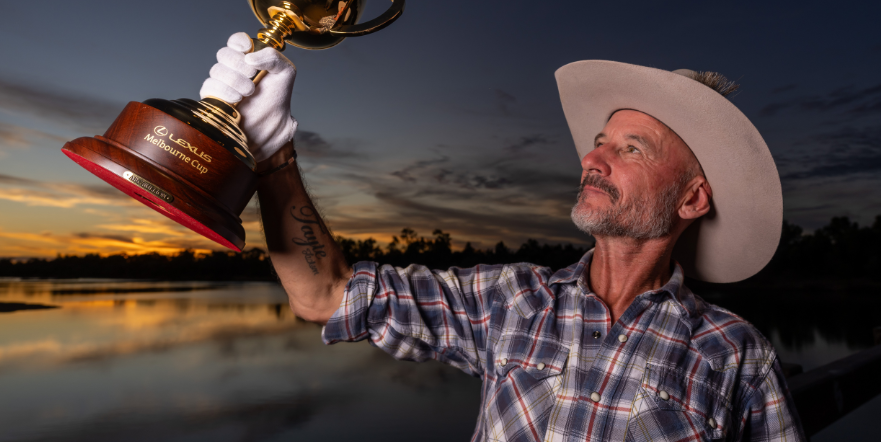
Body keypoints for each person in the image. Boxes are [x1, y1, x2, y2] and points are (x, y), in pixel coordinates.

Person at [200, 33, 806, 441]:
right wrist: (272, 150)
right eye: (600, 141)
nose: (592, 158)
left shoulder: (737, 355)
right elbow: (325, 294)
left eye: (631, 149)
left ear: (692, 199)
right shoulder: (512, 299)